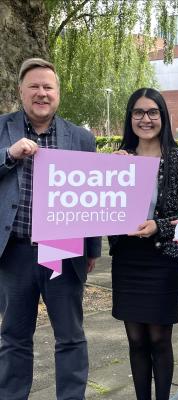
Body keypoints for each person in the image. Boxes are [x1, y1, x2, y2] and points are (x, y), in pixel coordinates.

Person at [0, 58, 101, 400]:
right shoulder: (2, 129)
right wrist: (9, 156)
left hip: (63, 246)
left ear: (58, 93)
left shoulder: (82, 137)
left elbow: (94, 197)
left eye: (48, 87)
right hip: (15, 250)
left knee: (70, 336)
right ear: (21, 92)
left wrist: (92, 249)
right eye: (35, 86)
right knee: (14, 336)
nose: (42, 93)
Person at [108, 88, 178, 400]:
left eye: (152, 112)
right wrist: (108, 172)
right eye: (138, 112)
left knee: (159, 339)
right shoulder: (118, 158)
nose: (145, 119)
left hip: (164, 260)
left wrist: (158, 227)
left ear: (163, 116)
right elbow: (101, 209)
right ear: (129, 118)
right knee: (135, 339)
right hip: (127, 259)